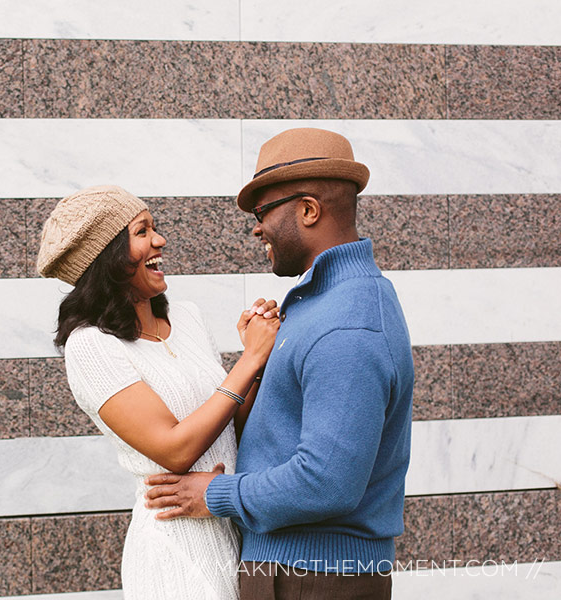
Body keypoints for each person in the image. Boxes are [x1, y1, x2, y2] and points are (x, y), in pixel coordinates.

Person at [144, 128, 414, 599]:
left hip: (315, 580)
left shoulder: (347, 322)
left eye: (263, 211)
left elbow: (326, 482)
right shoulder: (316, 304)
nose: (255, 227)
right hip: (291, 572)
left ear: (309, 210)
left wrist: (213, 495)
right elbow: (279, 435)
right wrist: (257, 361)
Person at [36, 185, 282, 599]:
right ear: (109, 256)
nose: (160, 240)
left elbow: (230, 427)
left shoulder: (187, 317)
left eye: (155, 227)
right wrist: (250, 361)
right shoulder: (92, 346)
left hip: (233, 530)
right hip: (175, 552)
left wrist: (258, 360)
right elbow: (174, 450)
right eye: (142, 231)